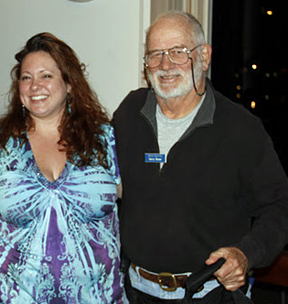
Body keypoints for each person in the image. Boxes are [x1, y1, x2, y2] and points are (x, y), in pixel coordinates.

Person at [112, 10, 288, 303]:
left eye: (178, 52)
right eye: (155, 54)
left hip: (210, 295)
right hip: (135, 293)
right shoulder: (129, 113)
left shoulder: (240, 129)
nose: (165, 65)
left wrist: (246, 253)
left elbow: (280, 206)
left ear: (204, 57)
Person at [0, 32, 127, 304]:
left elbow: (143, 203)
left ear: (69, 83)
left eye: (46, 75)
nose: (35, 86)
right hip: (8, 297)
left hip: (98, 298)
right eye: (26, 77)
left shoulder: (105, 141)